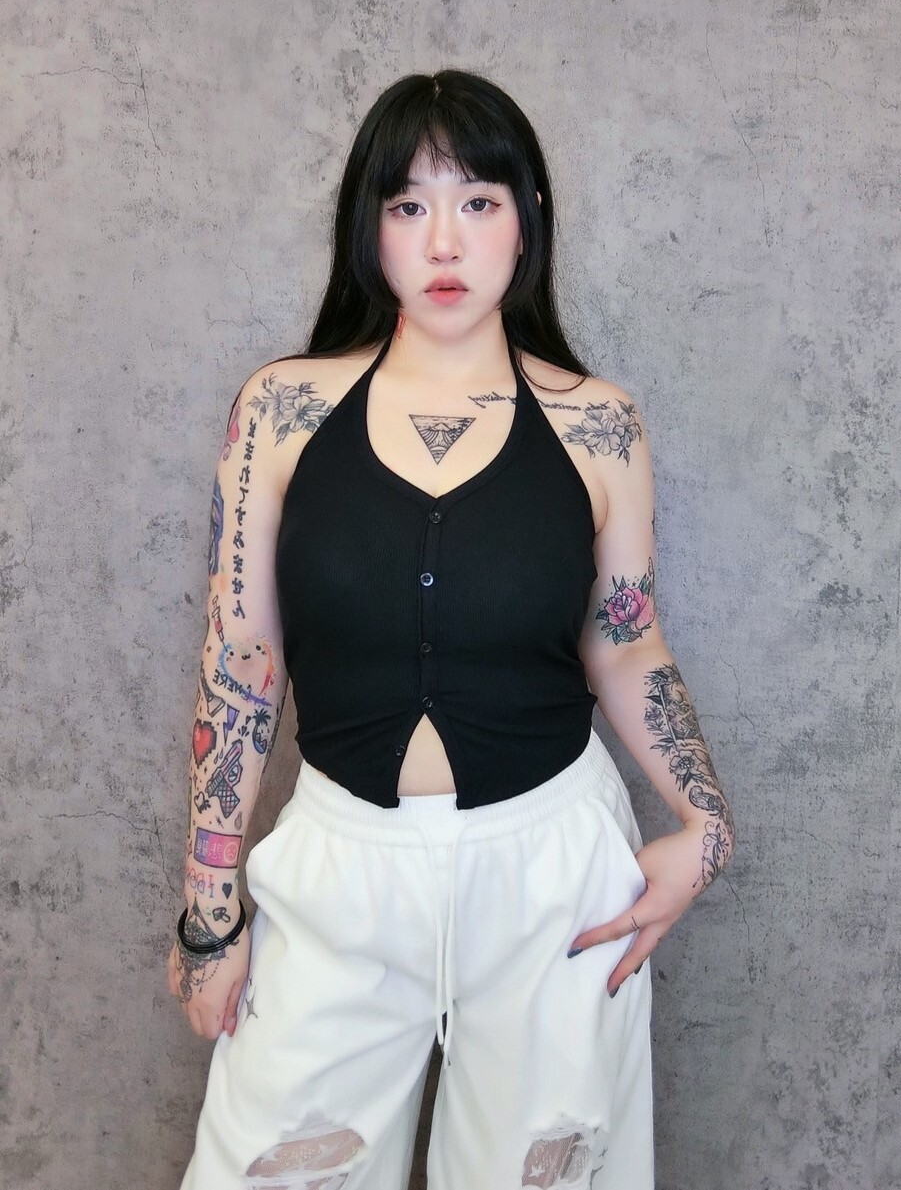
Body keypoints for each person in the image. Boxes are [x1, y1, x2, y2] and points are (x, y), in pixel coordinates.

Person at [167, 68, 735, 1190]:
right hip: (341, 865)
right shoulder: (281, 411)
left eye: (477, 201)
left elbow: (625, 638)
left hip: (553, 875)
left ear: (526, 221)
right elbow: (241, 663)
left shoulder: (598, 423)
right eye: (407, 204)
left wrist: (705, 823)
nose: (443, 241)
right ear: (367, 226)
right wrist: (209, 913)